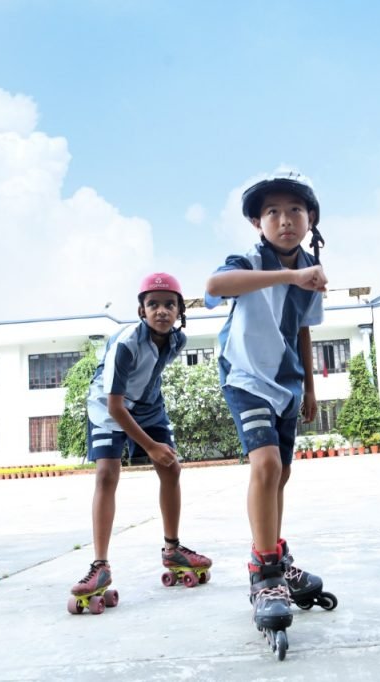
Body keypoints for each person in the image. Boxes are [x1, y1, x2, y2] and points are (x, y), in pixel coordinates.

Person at [205, 171, 333, 642]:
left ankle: (275, 554)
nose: (284, 219)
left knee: (280, 474)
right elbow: (216, 285)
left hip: (288, 385)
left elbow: (302, 328)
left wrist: (312, 388)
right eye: (272, 212)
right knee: (265, 465)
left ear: (310, 219)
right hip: (245, 378)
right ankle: (265, 574)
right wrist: (289, 274)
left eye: (295, 210)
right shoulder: (249, 260)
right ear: (258, 223)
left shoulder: (310, 273)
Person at [71, 273, 211, 606]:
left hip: (148, 406)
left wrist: (154, 437)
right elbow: (115, 406)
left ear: (179, 311)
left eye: (169, 305)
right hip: (108, 407)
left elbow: (149, 376)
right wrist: (149, 446)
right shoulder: (126, 344)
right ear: (141, 310)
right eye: (153, 305)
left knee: (172, 469)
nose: (161, 311)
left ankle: (173, 549)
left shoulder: (177, 341)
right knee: (107, 475)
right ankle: (100, 565)